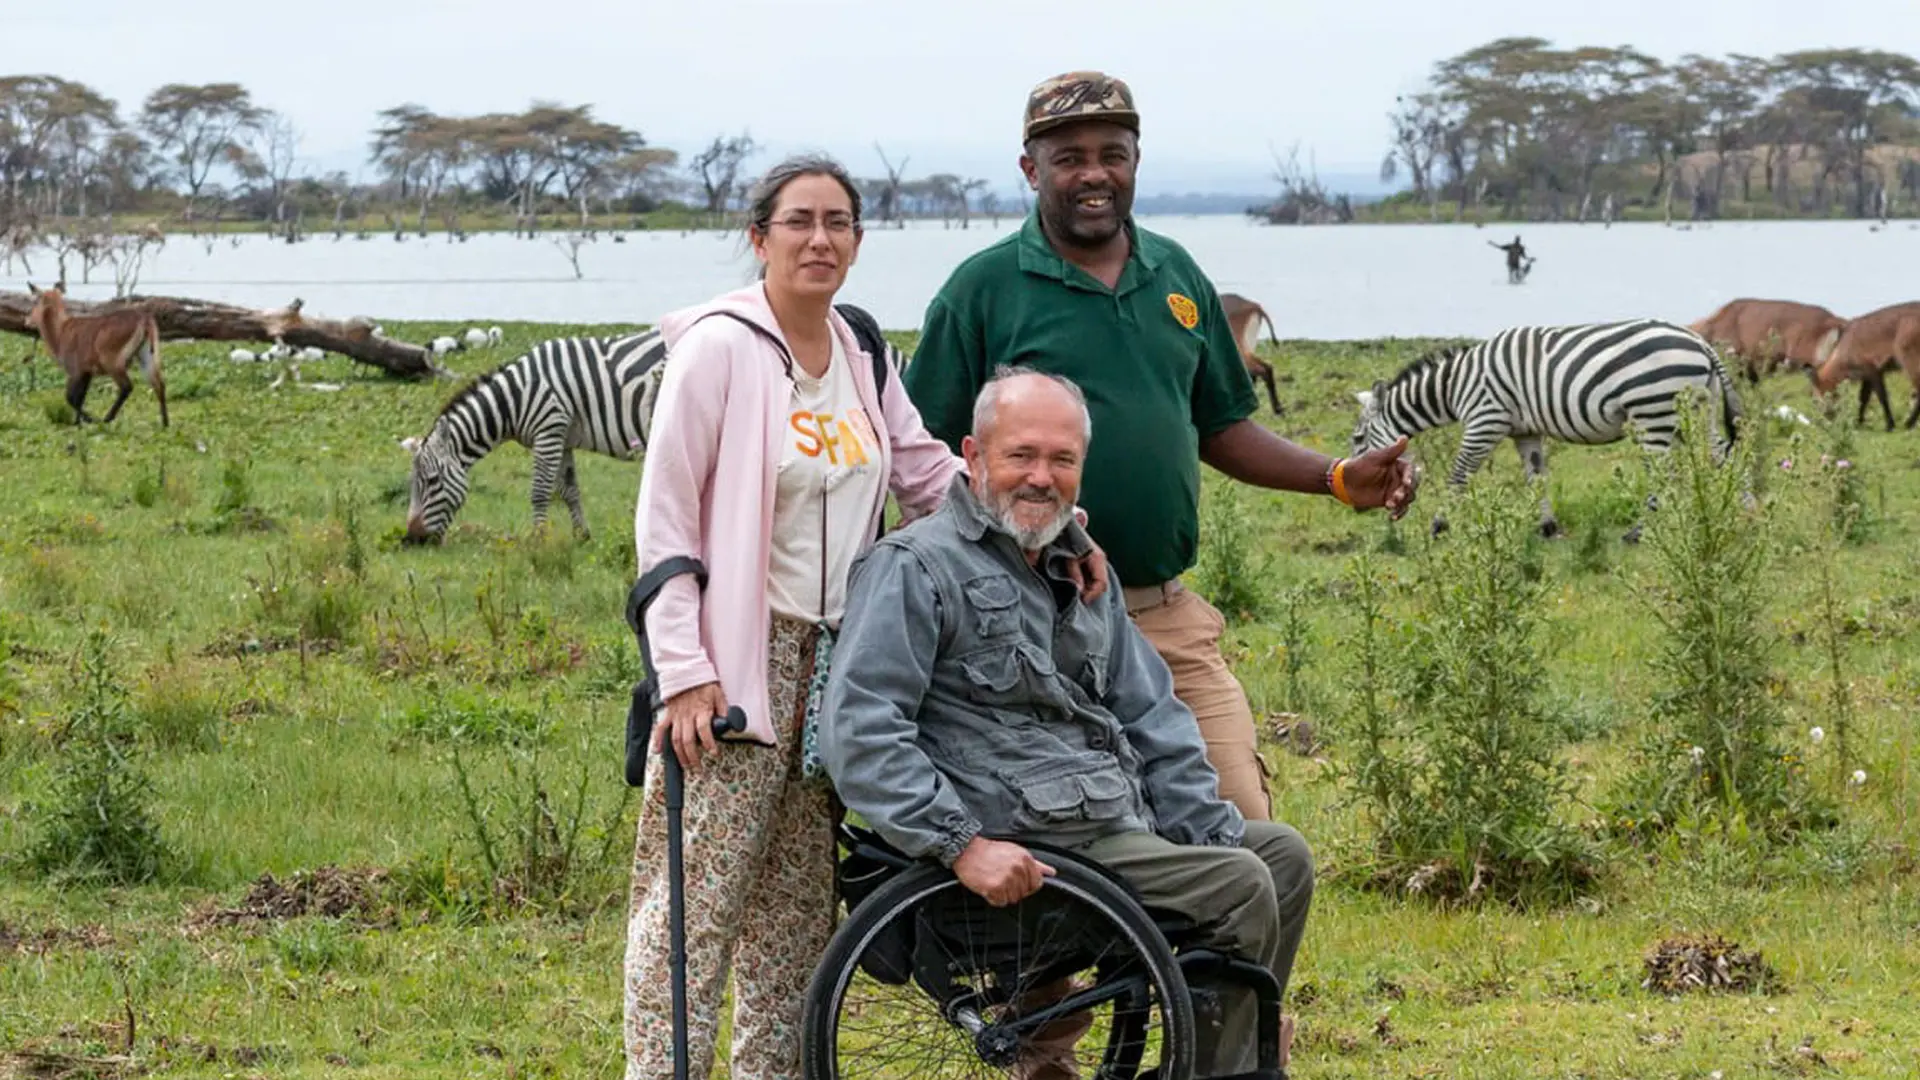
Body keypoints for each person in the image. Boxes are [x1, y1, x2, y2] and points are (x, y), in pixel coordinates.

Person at [622, 152, 1109, 1080]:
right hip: (736, 666)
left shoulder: (858, 347)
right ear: (759, 238)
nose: (819, 239)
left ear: (857, 241)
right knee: (690, 913)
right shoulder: (718, 349)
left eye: (838, 222)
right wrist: (683, 673)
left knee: (795, 918)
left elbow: (927, 474)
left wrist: (1064, 534)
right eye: (798, 222)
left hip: (841, 662)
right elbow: (666, 521)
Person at [903, 70, 1418, 826]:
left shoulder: (1176, 276)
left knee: (1241, 827)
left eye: (1111, 154)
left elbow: (1220, 424)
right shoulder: (982, 289)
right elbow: (918, 456)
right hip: (1024, 621)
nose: (1093, 175)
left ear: (1135, 161)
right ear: (1030, 169)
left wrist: (1336, 478)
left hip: (1159, 612)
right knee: (1077, 840)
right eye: (1069, 156)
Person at [819, 369, 1314, 1080]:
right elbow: (860, 735)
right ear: (974, 454)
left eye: (1062, 460)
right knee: (1236, 884)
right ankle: (1222, 1072)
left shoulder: (1079, 568)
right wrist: (962, 845)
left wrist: (1202, 827)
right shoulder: (915, 568)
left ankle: (1218, 1058)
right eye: (1021, 455)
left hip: (1106, 828)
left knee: (1280, 858)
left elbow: (1153, 713)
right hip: (1023, 851)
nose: (1041, 478)